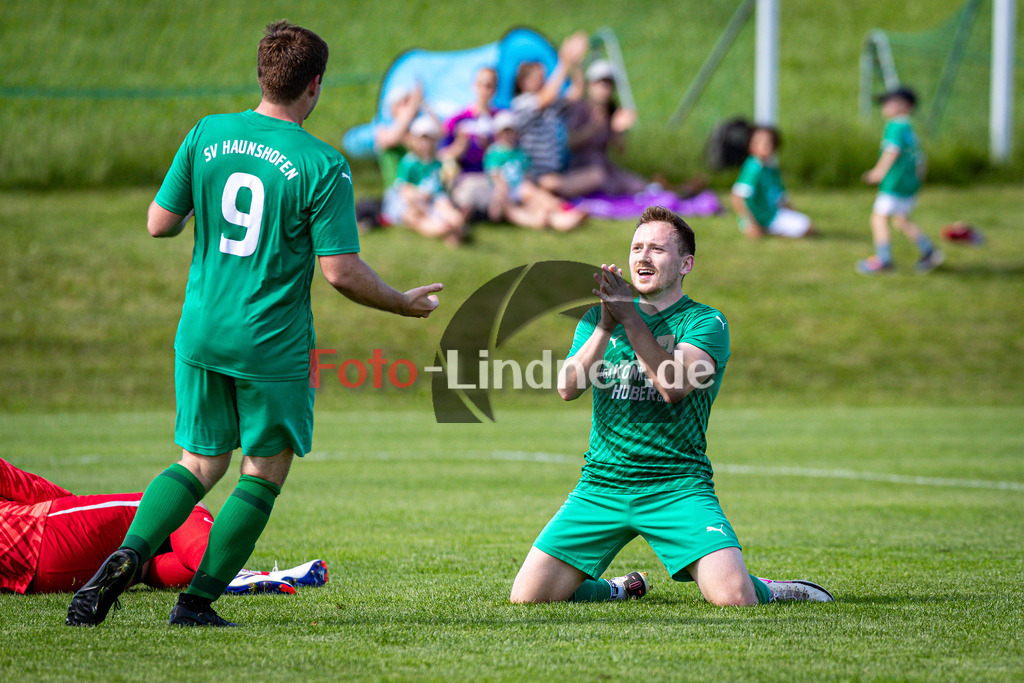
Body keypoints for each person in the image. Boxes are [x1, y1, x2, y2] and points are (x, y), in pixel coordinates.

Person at [66, 20, 442, 628]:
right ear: (314, 86)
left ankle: (127, 557)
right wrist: (402, 302)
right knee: (261, 471)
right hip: (269, 342)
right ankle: (195, 604)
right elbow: (341, 273)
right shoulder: (322, 163)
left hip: (200, 330)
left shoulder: (208, 134)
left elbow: (158, 223)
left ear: (263, 75)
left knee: (196, 464)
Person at [510, 206, 833, 606]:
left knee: (735, 598)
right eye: (636, 248)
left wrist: (629, 320)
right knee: (528, 597)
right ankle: (618, 588)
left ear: (686, 264)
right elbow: (567, 387)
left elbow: (674, 385)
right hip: (602, 484)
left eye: (657, 249)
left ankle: (770, 589)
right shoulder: (599, 319)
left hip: (676, 485)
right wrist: (608, 324)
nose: (643, 257)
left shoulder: (705, 322)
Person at [0, 457, 326, 596]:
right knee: (176, 509)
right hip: (44, 528)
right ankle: (229, 576)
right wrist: (73, 506)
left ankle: (270, 578)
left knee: (146, 562)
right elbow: (24, 486)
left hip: (36, 579)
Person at [857, 86, 944, 274]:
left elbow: (892, 151)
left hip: (894, 183)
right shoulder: (909, 129)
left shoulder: (895, 126)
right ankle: (929, 251)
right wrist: (918, 181)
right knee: (900, 220)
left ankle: (883, 260)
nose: (884, 107)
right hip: (909, 184)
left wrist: (878, 172)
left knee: (878, 218)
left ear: (905, 105)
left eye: (888, 102)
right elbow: (921, 159)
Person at [510, 31, 589, 196]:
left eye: (542, 77)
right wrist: (564, 62)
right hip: (534, 174)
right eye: (536, 78)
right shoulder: (521, 103)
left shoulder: (551, 101)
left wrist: (575, 64)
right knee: (560, 185)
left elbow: (576, 94)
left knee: (594, 176)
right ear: (522, 82)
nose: (541, 81)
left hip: (555, 171)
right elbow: (544, 99)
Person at [560, 59, 650, 198]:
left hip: (605, 167)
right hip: (582, 168)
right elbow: (570, 143)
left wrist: (619, 131)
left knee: (639, 185)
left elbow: (620, 151)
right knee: (605, 181)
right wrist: (591, 129)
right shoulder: (579, 109)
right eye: (599, 83)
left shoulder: (612, 112)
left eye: (608, 83)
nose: (604, 88)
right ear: (589, 85)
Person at [483, 111, 586, 231]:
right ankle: (561, 211)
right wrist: (504, 190)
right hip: (504, 192)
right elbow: (495, 175)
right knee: (519, 204)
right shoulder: (494, 152)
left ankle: (562, 220)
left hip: (520, 190)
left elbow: (526, 174)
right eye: (505, 132)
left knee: (534, 199)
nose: (508, 135)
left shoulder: (519, 152)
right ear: (498, 133)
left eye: (511, 131)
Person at [382, 116, 468, 246]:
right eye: (421, 140)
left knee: (450, 212)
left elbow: (454, 154)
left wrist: (462, 141)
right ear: (414, 141)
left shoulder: (439, 161)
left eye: (428, 139)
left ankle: (453, 227)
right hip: (417, 200)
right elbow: (403, 188)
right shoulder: (409, 162)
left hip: (437, 198)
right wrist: (418, 196)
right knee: (415, 216)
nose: (424, 144)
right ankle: (445, 230)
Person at [730, 126, 816, 239]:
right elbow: (737, 197)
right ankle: (768, 230)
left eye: (768, 142)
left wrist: (793, 213)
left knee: (808, 225)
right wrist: (750, 224)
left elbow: (781, 197)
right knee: (806, 228)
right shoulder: (753, 167)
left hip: (771, 214)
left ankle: (771, 230)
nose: (764, 144)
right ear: (751, 144)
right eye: (759, 141)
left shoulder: (771, 168)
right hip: (759, 218)